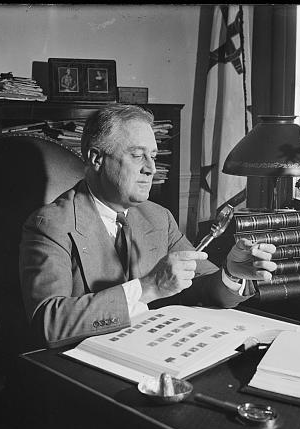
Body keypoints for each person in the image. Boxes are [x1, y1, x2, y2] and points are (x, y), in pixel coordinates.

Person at [19, 104, 277, 346]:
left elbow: (203, 285)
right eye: (137, 156)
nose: (151, 169)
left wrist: (230, 274)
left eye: (153, 156)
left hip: (155, 348)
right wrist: (149, 287)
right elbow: (47, 323)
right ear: (96, 159)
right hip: (88, 362)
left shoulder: (158, 217)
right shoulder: (50, 225)